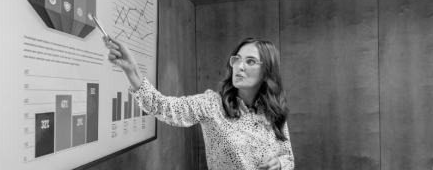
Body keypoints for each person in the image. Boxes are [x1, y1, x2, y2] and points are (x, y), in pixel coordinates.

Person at [103, 37, 294, 170]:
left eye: (251, 61)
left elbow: (288, 157)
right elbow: (163, 107)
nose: (239, 66)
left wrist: (279, 164)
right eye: (237, 59)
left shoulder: (274, 112)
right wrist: (132, 71)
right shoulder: (212, 104)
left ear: (267, 71)